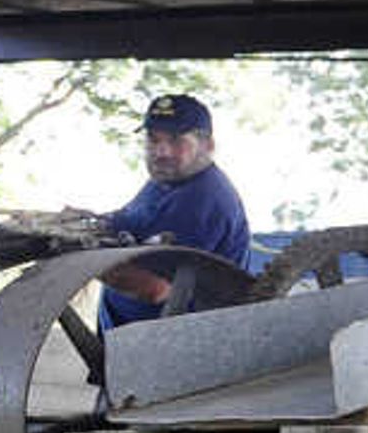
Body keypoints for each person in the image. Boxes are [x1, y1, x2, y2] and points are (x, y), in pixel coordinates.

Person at [94, 92, 252, 327]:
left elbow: (154, 288)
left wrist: (73, 258)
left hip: (174, 352)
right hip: (130, 342)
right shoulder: (166, 181)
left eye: (176, 140)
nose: (161, 152)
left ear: (208, 145)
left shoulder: (203, 200)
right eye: (153, 140)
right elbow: (127, 221)